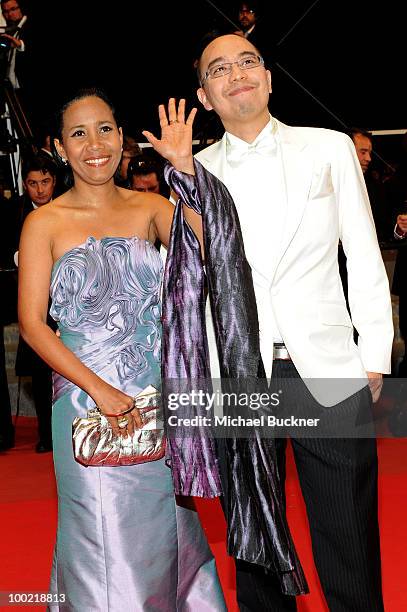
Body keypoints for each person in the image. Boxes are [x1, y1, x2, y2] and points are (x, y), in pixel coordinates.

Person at [168, 33, 393, 611]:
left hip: (327, 367)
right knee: (257, 545)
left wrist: (374, 355)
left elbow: (363, 253)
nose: (237, 73)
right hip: (239, 377)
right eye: (220, 69)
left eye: (248, 62)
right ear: (205, 95)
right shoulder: (193, 174)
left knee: (350, 539)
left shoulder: (329, 148)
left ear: (268, 78)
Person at [18, 88, 226, 609]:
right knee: (99, 532)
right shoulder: (44, 221)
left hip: (157, 397)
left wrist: (184, 169)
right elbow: (32, 326)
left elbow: (214, 248)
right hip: (87, 403)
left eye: (105, 129)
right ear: (60, 147)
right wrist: (102, 392)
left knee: (168, 530)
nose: (95, 144)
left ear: (123, 138)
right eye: (78, 133)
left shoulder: (152, 208)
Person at [12, 153, 58, 452]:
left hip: (70, 298)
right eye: (32, 184)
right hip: (33, 301)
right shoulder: (13, 213)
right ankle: (46, 434)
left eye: (45, 182)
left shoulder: (71, 205)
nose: (40, 190)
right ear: (24, 185)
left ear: (54, 181)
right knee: (41, 373)